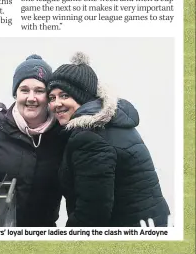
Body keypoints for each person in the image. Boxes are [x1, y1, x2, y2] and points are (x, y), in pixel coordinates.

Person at [47, 53, 170, 227]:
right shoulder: (112, 122)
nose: (56, 104)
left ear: (82, 97)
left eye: (65, 95)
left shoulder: (89, 137)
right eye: (52, 98)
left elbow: (91, 216)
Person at [0, 54, 64, 226]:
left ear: (49, 96)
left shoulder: (61, 133)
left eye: (39, 90)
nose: (31, 98)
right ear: (15, 94)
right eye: (24, 90)